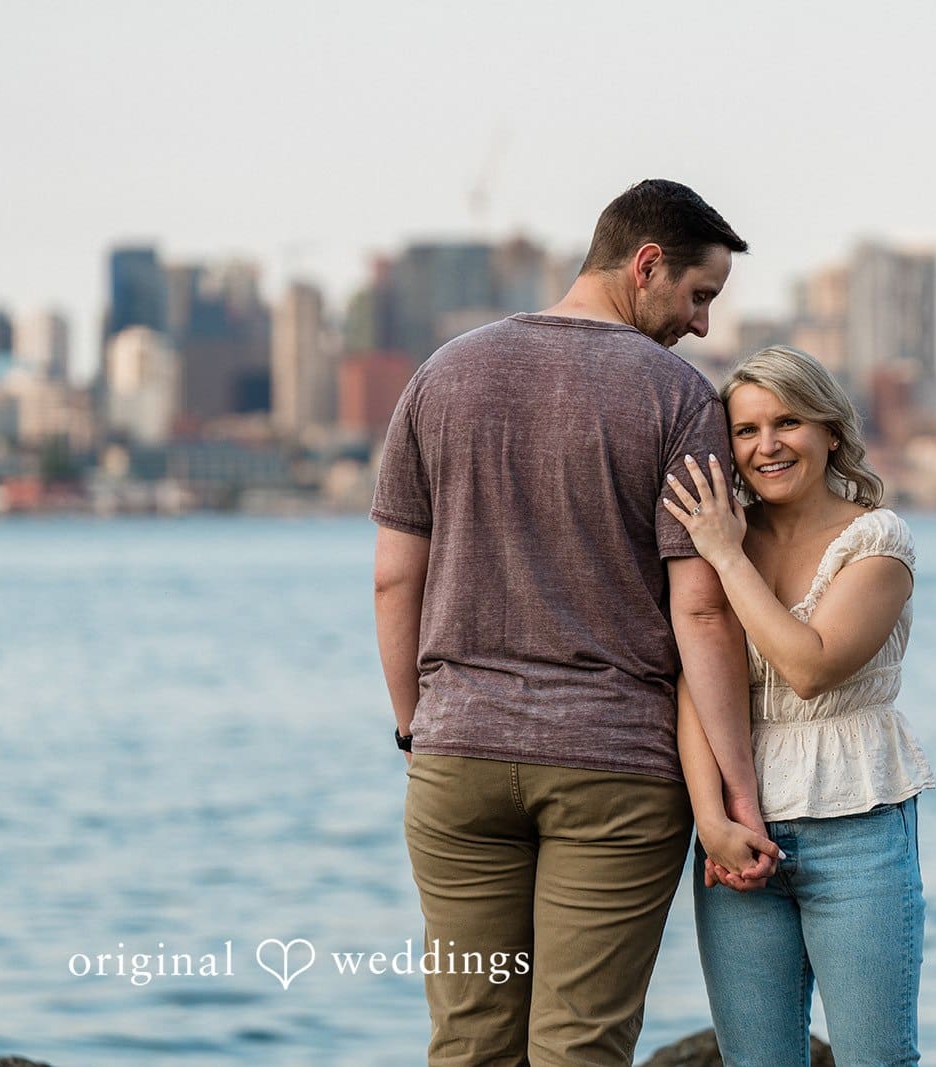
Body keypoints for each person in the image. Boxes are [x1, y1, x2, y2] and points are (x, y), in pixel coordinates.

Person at [371, 179, 779, 1067]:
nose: (702, 325)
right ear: (646, 265)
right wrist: (739, 795)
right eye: (699, 295)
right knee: (580, 1048)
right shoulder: (679, 399)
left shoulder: (442, 374)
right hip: (615, 772)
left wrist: (416, 726)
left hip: (457, 763)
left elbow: (393, 582)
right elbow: (702, 609)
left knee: (469, 1043)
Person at [664, 345, 935, 1066]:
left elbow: (809, 667)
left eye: (788, 422)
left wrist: (726, 557)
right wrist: (710, 818)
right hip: (734, 841)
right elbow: (693, 684)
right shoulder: (722, 532)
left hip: (860, 832)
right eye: (746, 430)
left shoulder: (878, 541)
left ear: (831, 432)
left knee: (877, 1059)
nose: (767, 445)